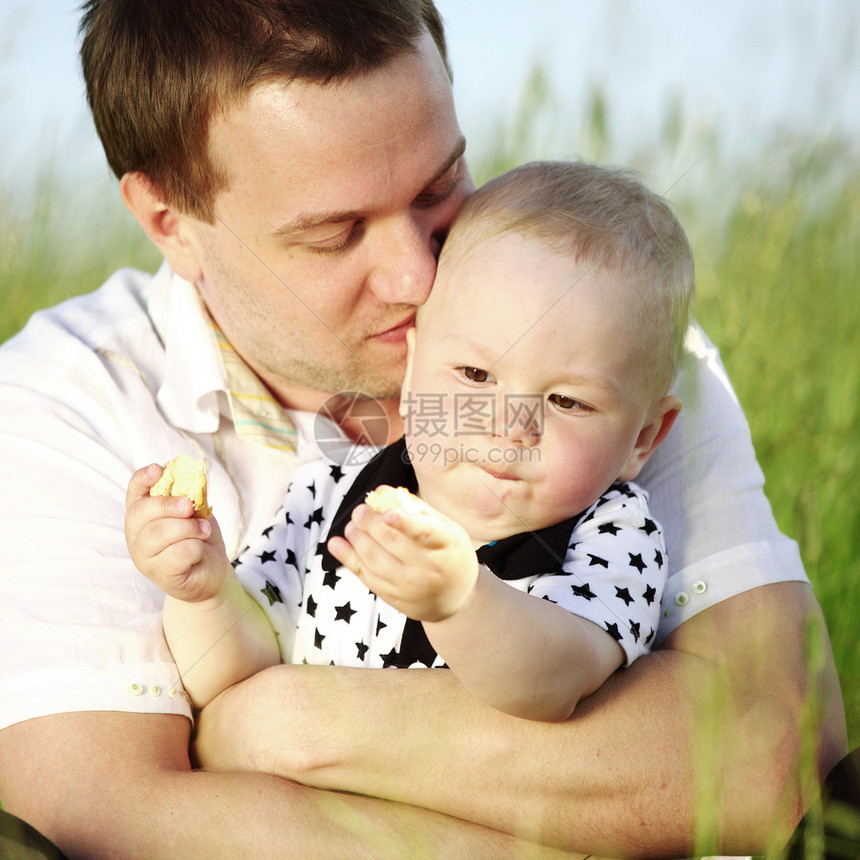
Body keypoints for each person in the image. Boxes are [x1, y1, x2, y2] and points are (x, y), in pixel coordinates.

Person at [0, 0, 846, 857]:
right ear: (170, 222)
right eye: (335, 234)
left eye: (440, 187)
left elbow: (782, 757)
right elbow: (99, 817)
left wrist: (277, 727)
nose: (416, 276)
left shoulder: (598, 333)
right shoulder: (64, 407)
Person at [126, 161, 689, 723]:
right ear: (415, 361)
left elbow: (556, 682)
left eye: (567, 401)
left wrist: (461, 603)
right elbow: (232, 674)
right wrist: (204, 593)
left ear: (642, 438)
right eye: (474, 375)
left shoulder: (611, 534)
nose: (509, 425)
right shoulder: (332, 496)